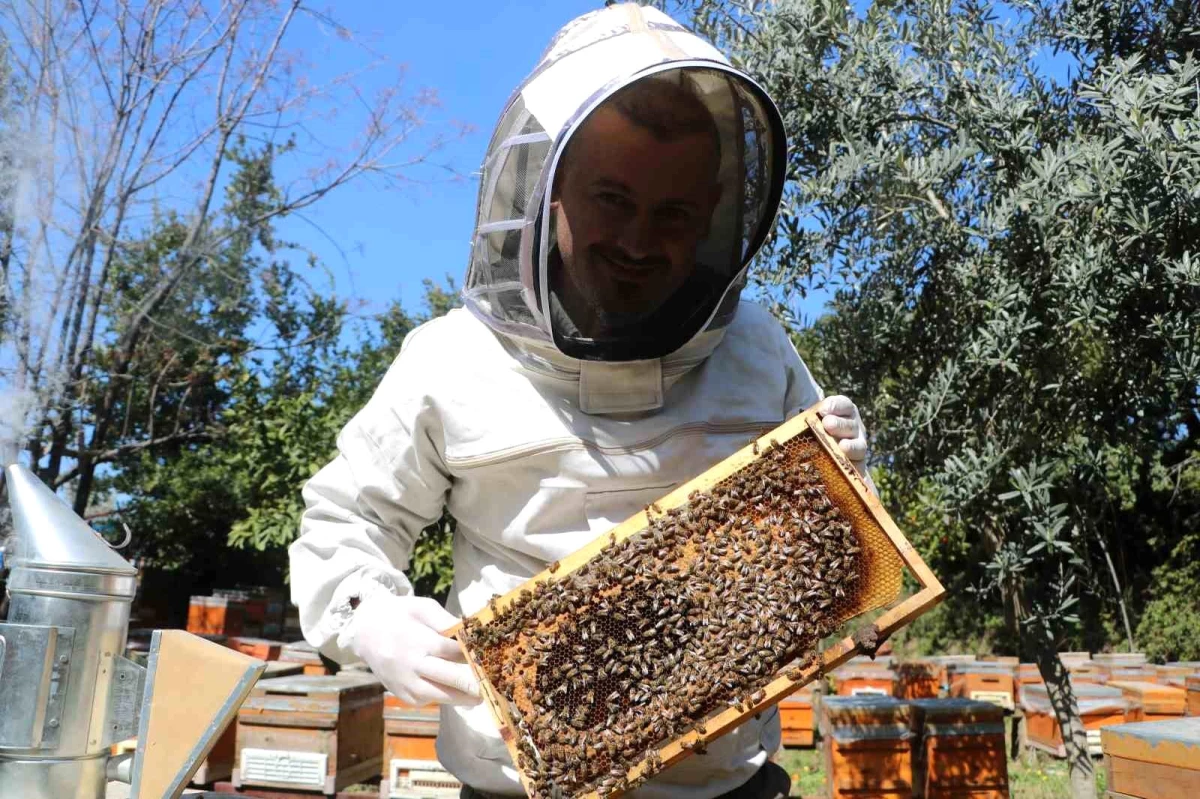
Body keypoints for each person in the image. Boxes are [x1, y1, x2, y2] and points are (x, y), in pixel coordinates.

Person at [289, 4, 873, 797]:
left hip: (725, 785)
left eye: (671, 213)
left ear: (711, 216)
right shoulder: (450, 358)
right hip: (516, 785)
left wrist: (845, 480)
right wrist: (370, 615)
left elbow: (833, 553)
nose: (637, 242)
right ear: (547, 191)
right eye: (612, 200)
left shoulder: (757, 348)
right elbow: (345, 520)